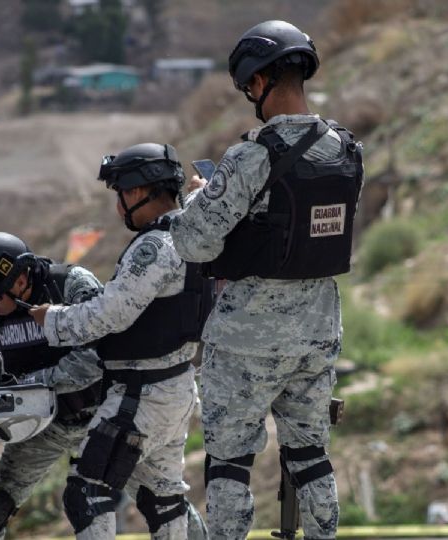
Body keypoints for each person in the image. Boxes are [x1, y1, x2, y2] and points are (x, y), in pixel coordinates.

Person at [168, 20, 365, 540]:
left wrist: (200, 195)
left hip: (246, 338)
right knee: (310, 454)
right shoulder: (345, 149)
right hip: (319, 330)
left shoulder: (252, 155)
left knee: (230, 462)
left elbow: (193, 241)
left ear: (259, 82)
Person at [29, 143, 213, 540]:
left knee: (86, 493)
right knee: (163, 501)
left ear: (137, 192)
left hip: (140, 396)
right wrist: (203, 191)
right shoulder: (197, 232)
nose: (118, 205)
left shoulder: (154, 245)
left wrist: (51, 320)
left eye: (120, 194)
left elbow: (110, 314)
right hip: (176, 388)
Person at [0, 232, 105, 540]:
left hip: (103, 418)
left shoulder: (72, 284)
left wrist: (27, 388)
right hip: (44, 427)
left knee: (161, 501)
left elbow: (95, 357)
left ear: (20, 279)